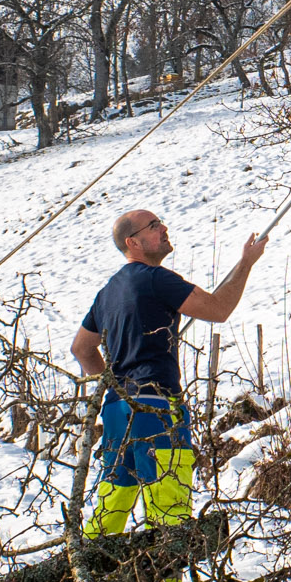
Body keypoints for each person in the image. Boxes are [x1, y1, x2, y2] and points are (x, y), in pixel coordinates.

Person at [70, 208, 264, 550]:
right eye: (154, 225)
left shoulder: (107, 292)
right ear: (133, 242)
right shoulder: (155, 278)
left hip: (117, 412)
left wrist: (114, 385)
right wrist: (246, 262)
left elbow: (82, 349)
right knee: (169, 510)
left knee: (112, 505)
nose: (164, 229)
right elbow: (219, 309)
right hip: (157, 408)